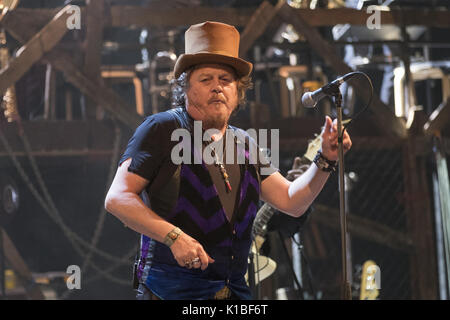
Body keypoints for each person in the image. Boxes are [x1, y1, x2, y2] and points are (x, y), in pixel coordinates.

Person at [104, 21, 352, 300]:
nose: (217, 87)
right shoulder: (161, 130)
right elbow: (117, 198)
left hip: (233, 293)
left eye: (225, 80)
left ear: (238, 91)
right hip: (170, 293)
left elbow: (292, 202)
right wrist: (174, 237)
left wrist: (325, 160)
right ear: (185, 87)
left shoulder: (245, 144)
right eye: (206, 79)